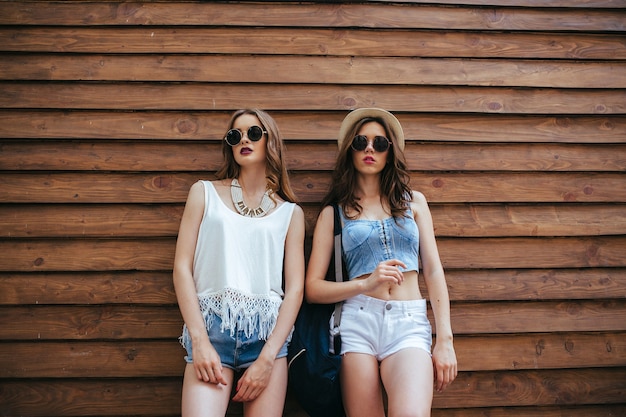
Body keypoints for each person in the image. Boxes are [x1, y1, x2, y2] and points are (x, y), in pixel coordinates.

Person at [305, 108, 457, 417]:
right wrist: (365, 283)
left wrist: (445, 340)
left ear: (390, 152)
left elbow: (434, 269)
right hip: (357, 323)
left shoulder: (414, 202)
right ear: (350, 149)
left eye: (380, 143)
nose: (370, 149)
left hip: (408, 323)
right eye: (361, 142)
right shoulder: (333, 214)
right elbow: (312, 288)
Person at [173, 109, 305, 417]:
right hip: (211, 330)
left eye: (254, 133)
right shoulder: (203, 193)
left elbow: (295, 289)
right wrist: (199, 340)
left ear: (269, 142)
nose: (244, 139)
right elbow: (182, 267)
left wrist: (268, 357)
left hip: (267, 337)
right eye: (236, 136)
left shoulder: (291, 214)